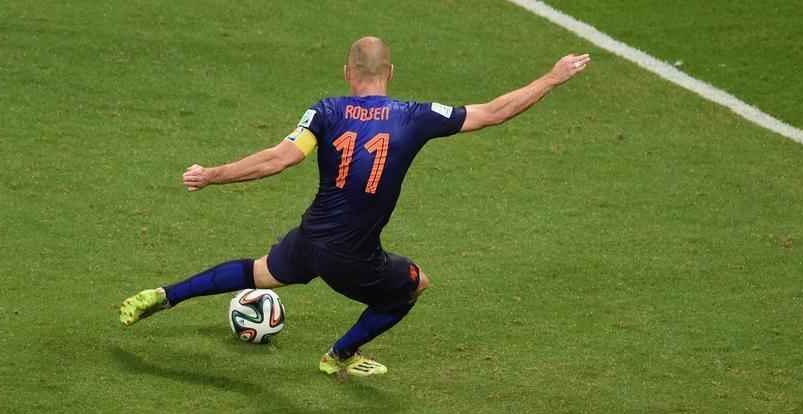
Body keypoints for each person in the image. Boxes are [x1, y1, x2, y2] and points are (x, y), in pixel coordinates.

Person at [119, 37, 590, 377]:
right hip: (353, 257)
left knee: (259, 272)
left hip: (310, 238)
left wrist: (212, 174)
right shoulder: (415, 116)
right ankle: (339, 355)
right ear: (391, 72)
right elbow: (493, 112)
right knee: (413, 286)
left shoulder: (325, 111)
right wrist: (553, 77)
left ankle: (165, 294)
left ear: (348, 72)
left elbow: (279, 159)